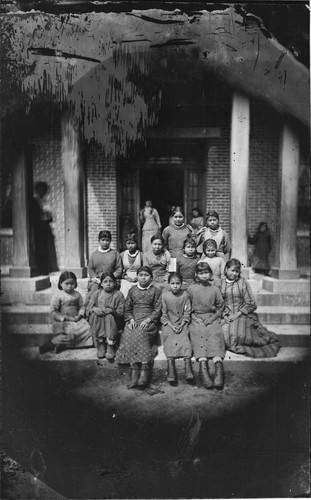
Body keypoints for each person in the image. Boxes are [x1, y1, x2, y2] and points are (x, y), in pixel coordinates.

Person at [219, 258, 280, 358]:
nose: (234, 274)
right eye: (232, 271)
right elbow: (218, 303)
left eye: (237, 271)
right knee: (223, 331)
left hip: (242, 314)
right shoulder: (220, 283)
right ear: (226, 270)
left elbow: (251, 303)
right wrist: (225, 315)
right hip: (225, 315)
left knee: (238, 333)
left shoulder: (243, 282)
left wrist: (237, 314)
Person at [116, 266, 162, 389]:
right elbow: (127, 308)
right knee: (130, 331)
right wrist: (130, 319)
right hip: (134, 319)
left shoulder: (155, 291)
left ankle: (144, 370)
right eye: (141, 275)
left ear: (151, 278)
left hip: (148, 320)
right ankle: (134, 371)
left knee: (141, 333)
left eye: (146, 275)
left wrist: (149, 319)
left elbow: (158, 309)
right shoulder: (132, 290)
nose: (143, 277)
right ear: (137, 277)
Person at [187, 262, 225, 390]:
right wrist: (194, 318)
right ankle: (203, 368)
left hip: (211, 317)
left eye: (206, 273)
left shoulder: (214, 289)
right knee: (199, 332)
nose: (204, 275)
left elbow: (220, 307)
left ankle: (218, 367)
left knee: (215, 332)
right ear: (196, 275)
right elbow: (187, 308)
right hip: (196, 318)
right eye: (201, 273)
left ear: (210, 274)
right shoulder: (192, 289)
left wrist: (213, 317)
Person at [39, 271, 93, 354]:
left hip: (76, 318)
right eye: (67, 284)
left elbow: (82, 306)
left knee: (87, 329)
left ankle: (64, 345)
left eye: (72, 284)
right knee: (69, 332)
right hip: (63, 320)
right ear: (61, 283)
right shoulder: (58, 295)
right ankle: (51, 344)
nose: (70, 286)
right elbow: (53, 311)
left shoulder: (77, 295)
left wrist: (80, 314)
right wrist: (65, 318)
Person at [161, 273, 194, 384]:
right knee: (169, 339)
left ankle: (188, 366)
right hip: (169, 323)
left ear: (181, 284)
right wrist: (171, 325)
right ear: (169, 284)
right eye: (173, 283)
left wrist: (182, 324)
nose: (175, 286)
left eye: (177, 283)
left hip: (182, 323)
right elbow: (164, 314)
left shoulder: (185, 295)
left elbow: (187, 312)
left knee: (184, 338)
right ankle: (170, 367)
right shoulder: (165, 296)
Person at [86, 272, 125, 360]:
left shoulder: (118, 295)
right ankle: (101, 344)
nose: (108, 283)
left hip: (114, 321)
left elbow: (121, 312)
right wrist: (94, 309)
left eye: (111, 281)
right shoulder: (97, 294)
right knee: (94, 315)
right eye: (105, 281)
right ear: (101, 284)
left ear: (115, 283)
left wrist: (112, 311)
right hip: (99, 320)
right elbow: (88, 310)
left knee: (109, 316)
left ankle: (110, 345)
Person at [87, 230, 122, 299]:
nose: (105, 243)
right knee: (94, 292)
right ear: (99, 240)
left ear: (110, 241)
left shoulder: (115, 254)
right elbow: (91, 269)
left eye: (107, 240)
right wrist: (96, 278)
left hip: (111, 280)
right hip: (97, 280)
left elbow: (119, 269)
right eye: (103, 240)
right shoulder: (94, 254)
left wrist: (110, 278)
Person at [33, 181, 58, 274]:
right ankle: (41, 269)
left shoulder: (44, 201)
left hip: (45, 228)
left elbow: (50, 216)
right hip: (38, 228)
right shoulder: (35, 201)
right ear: (37, 190)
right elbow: (36, 216)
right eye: (42, 189)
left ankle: (45, 269)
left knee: (46, 249)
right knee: (40, 249)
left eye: (45, 190)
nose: (44, 192)